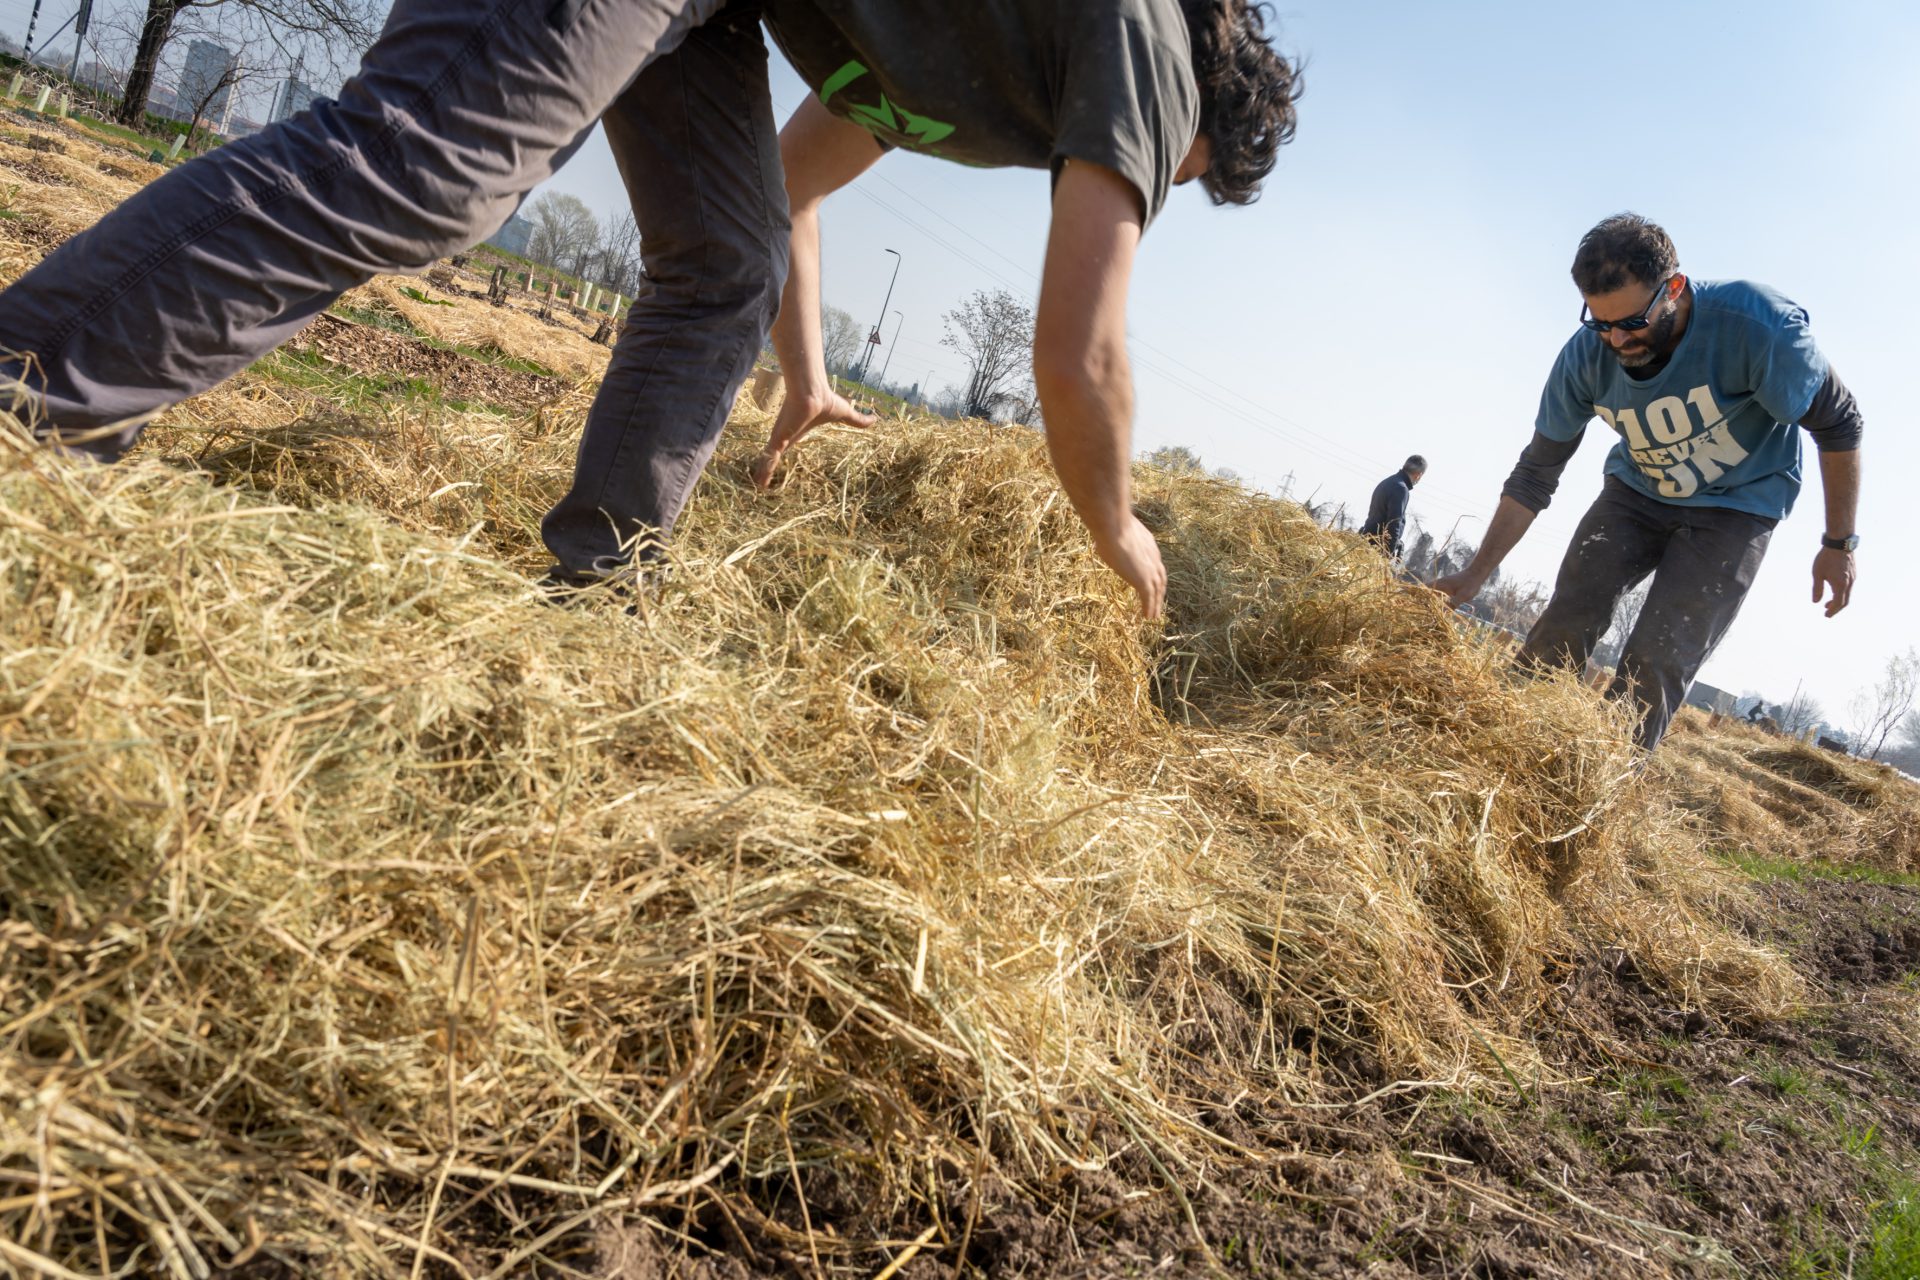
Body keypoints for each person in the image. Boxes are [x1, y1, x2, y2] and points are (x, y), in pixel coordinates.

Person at [0, 0, 1300, 622]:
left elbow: (782, 199)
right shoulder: (1144, 43)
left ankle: (599, 596)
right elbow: (1080, 356)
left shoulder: (989, 61)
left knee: (722, 266)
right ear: (1204, 116)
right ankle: (29, 404)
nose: (1128, 180)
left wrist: (802, 374)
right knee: (434, 170)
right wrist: (1119, 529)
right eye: (1164, 172)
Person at [1432, 214, 1864, 751]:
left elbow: (1840, 423)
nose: (1616, 339)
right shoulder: (1586, 358)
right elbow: (1536, 473)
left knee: (1657, 658)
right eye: (1600, 322)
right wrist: (1475, 573)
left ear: (1674, 289)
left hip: (1737, 507)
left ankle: (1598, 788)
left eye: (1632, 323)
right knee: (1570, 613)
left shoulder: (1759, 327)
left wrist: (1838, 543)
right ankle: (1494, 747)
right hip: (1637, 493)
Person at [1358, 453, 1426, 560]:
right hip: (1376, 549)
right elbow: (1394, 523)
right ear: (1419, 475)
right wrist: (1387, 555)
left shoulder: (1388, 482)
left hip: (1367, 541)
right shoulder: (1401, 489)